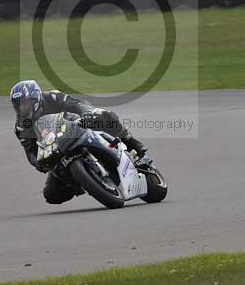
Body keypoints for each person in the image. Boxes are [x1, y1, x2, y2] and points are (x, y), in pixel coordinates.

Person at [10, 79, 148, 204]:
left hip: (76, 127)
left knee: (103, 115)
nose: (22, 108)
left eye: (25, 103)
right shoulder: (22, 126)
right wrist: (39, 164)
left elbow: (76, 104)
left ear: (36, 98)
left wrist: (86, 114)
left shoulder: (52, 97)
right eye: (19, 105)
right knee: (51, 195)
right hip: (57, 150)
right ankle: (80, 183)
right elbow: (30, 152)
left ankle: (133, 143)